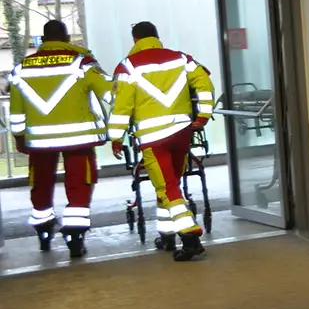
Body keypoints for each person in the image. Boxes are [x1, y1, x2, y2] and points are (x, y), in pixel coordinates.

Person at [109, 21, 215, 262]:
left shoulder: (127, 67)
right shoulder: (182, 59)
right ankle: (167, 235)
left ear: (135, 40)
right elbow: (205, 83)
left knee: (166, 187)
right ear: (157, 37)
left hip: (153, 138)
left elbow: (121, 108)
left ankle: (190, 237)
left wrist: (116, 137)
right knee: (171, 183)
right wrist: (203, 115)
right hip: (182, 132)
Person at [7, 20, 113, 257]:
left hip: (39, 141)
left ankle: (43, 228)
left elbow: (16, 111)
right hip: (79, 139)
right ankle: (75, 236)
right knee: (79, 183)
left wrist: (19, 137)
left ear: (43, 41)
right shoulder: (82, 64)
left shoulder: (21, 69)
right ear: (66, 39)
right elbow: (110, 93)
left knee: (41, 182)